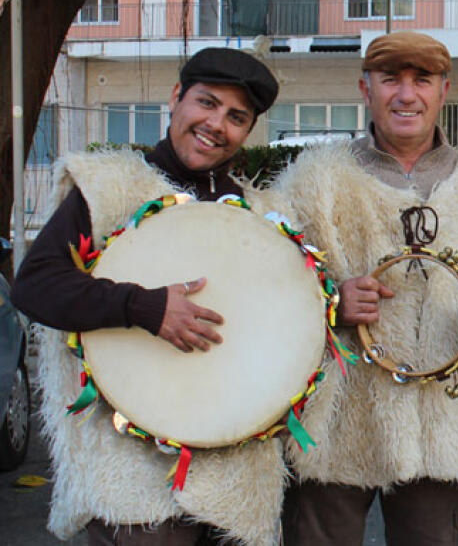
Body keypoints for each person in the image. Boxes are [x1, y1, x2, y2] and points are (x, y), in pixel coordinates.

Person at [271, 31, 458, 545]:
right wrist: (329, 302)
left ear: (443, 90)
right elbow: (270, 280)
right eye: (390, 79)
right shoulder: (315, 179)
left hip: (445, 423)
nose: (406, 94)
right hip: (339, 421)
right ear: (364, 88)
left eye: (423, 80)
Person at [12, 48, 283, 544]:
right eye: (206, 102)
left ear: (248, 132)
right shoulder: (106, 188)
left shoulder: (260, 214)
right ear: (176, 98)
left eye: (236, 117)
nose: (216, 124)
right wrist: (144, 307)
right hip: (134, 487)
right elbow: (36, 284)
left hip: (235, 483)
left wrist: (336, 303)